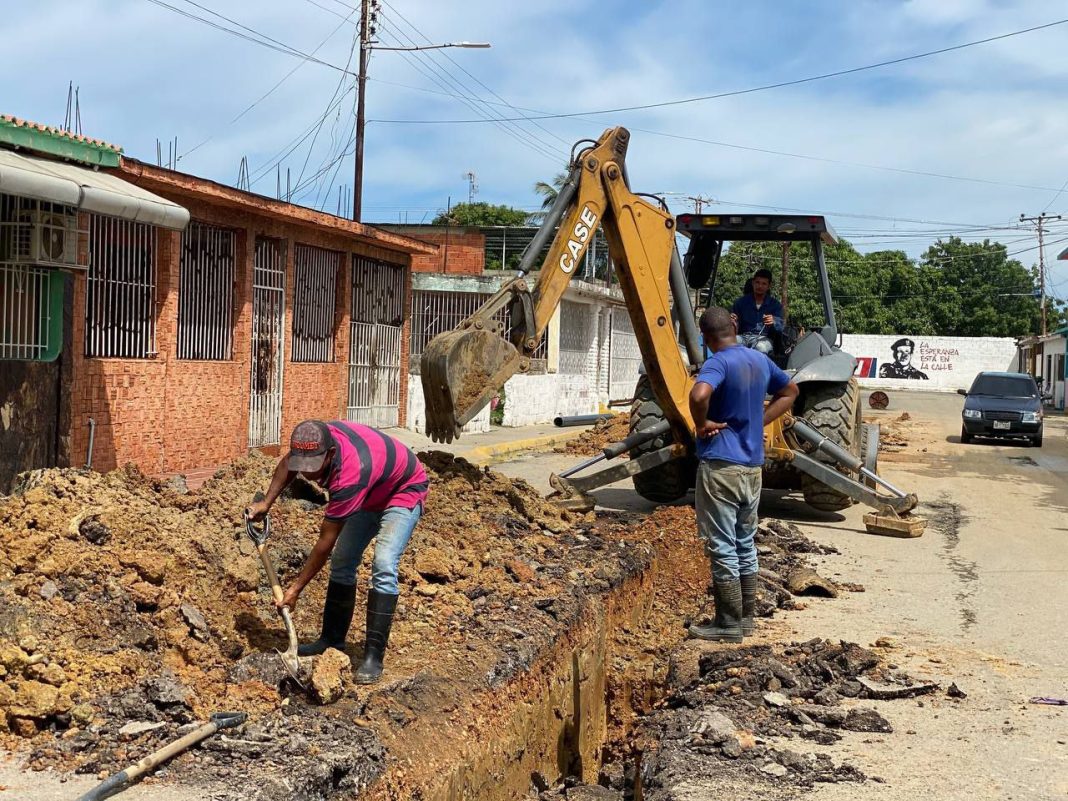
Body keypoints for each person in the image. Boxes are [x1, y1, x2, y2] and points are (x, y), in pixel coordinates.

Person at [246, 419, 428, 684]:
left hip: (401, 490)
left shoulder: (350, 475)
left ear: (330, 454)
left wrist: (295, 590)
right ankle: (331, 640)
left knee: (384, 563)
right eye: (303, 467)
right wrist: (266, 503)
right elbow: (287, 464)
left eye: (313, 468)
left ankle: (373, 658)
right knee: (343, 560)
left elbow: (324, 543)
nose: (307, 475)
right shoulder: (312, 440)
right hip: (370, 491)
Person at [687, 307, 799, 642]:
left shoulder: (718, 362)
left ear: (706, 336)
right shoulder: (759, 360)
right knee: (744, 542)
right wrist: (759, 421)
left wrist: (702, 423)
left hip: (721, 465)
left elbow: (699, 394)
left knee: (721, 544)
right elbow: (790, 392)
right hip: (752, 467)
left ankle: (728, 623)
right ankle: (746, 619)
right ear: (733, 327)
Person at [731, 268, 784, 354]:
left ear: (769, 286)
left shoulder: (775, 305)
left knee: (761, 347)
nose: (760, 286)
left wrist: (773, 321)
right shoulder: (740, 302)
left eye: (764, 284)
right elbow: (733, 326)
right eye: (757, 283)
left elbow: (780, 327)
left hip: (763, 338)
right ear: (753, 283)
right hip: (743, 337)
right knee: (731, 344)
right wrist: (733, 321)